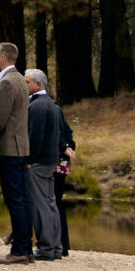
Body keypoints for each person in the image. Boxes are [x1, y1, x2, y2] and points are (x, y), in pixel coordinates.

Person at [0, 42, 33, 266]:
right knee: (22, 198)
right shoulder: (22, 80)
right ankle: (26, 247)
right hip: (22, 146)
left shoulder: (6, 82)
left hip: (9, 148)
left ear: (3, 57)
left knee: (14, 199)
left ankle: (20, 250)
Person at [26, 69, 64, 261]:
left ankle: (45, 248)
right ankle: (56, 247)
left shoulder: (38, 105)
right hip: (51, 161)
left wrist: (29, 160)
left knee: (40, 205)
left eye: (27, 83)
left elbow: (36, 136)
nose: (25, 86)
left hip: (39, 162)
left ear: (38, 85)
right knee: (51, 204)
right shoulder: (51, 104)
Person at [55, 104, 76, 256]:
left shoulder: (48, 110)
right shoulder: (58, 110)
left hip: (54, 162)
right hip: (63, 163)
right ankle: (63, 244)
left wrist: (62, 148)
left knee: (52, 202)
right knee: (57, 202)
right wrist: (68, 147)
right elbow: (69, 133)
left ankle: (58, 244)